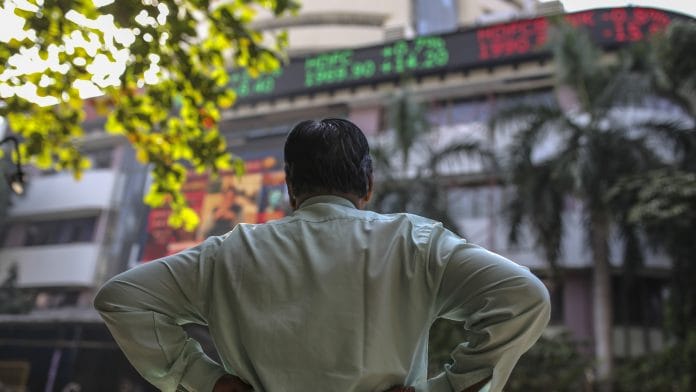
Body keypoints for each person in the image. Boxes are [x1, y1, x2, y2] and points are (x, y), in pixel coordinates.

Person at [94, 118, 550, 392]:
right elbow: (524, 296)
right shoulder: (413, 244)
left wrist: (204, 380)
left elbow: (122, 298)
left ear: (290, 187)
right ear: (367, 183)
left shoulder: (230, 253)